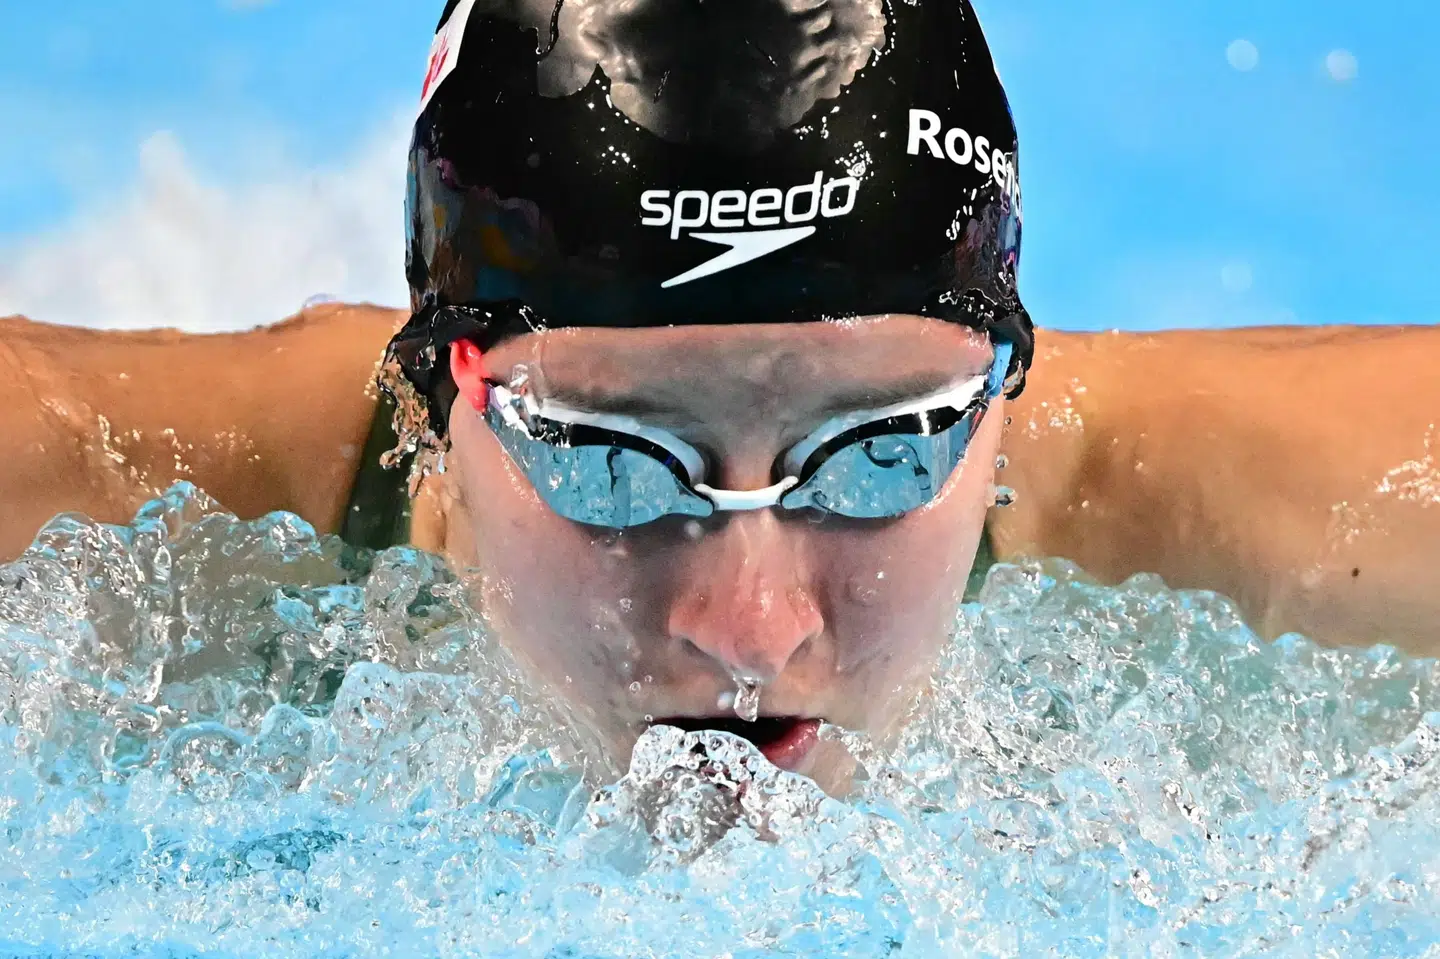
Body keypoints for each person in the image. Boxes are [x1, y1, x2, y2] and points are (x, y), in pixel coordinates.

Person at [2, 0, 1439, 793]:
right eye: (613, 464)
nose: (750, 624)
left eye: (880, 454)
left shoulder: (1297, 515)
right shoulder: (139, 514)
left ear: (1005, 391)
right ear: (437, 402)